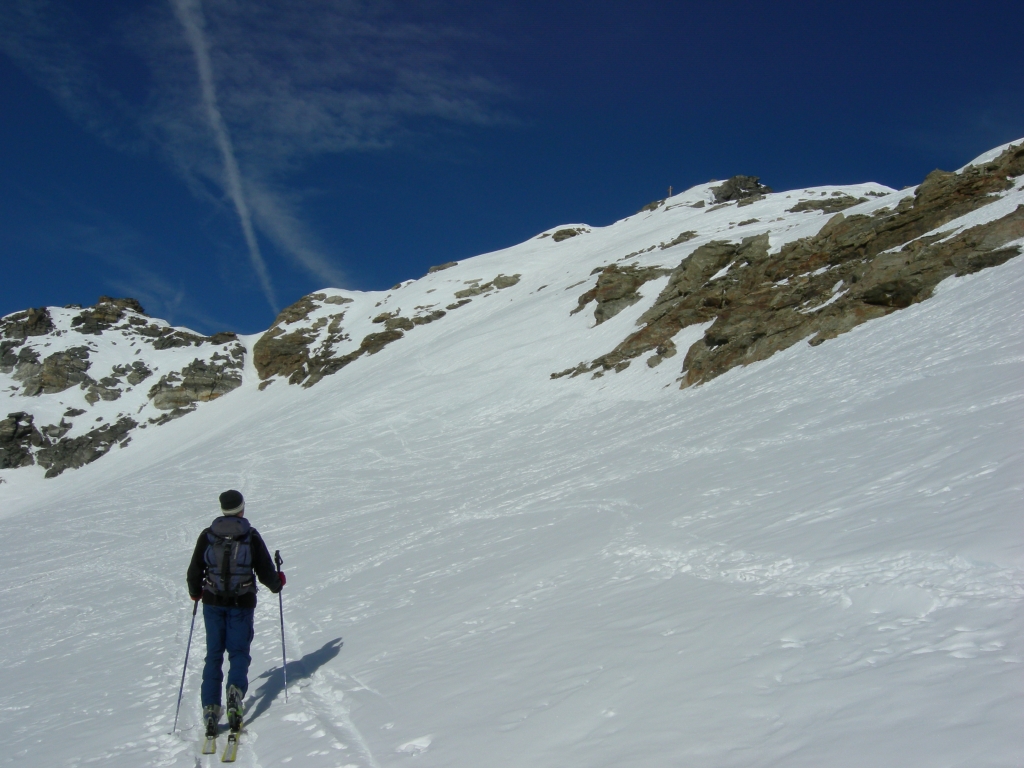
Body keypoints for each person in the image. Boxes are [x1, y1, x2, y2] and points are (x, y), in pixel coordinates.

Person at [187, 489, 285, 735]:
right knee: (238, 652)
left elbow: (194, 571)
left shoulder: (208, 536)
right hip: (242, 603)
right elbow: (265, 571)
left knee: (214, 654)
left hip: (212, 602)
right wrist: (277, 583)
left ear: (223, 509)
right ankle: (235, 693)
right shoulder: (249, 536)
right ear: (242, 509)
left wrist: (195, 592)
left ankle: (210, 706)